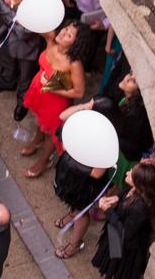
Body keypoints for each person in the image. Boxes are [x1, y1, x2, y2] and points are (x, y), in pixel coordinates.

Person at [20, 21, 93, 178]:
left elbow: (79, 93)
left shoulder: (74, 64)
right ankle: (36, 142)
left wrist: (54, 88)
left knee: (52, 135)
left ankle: (44, 161)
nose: (63, 32)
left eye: (69, 34)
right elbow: (36, 23)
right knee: (40, 121)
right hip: (39, 91)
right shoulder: (51, 41)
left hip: (56, 102)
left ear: (76, 43)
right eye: (65, 29)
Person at [51, 101, 114, 259]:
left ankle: (74, 244)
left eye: (92, 105)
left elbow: (97, 173)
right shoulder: (85, 123)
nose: (88, 106)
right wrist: (83, 107)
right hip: (72, 176)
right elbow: (63, 117)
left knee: (82, 211)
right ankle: (71, 215)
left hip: (86, 183)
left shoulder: (105, 141)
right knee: (73, 204)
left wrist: (72, 158)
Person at [91, 162, 155, 279]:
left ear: (138, 182)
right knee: (110, 265)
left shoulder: (140, 208)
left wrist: (108, 210)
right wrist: (117, 198)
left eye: (131, 173)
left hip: (125, 247)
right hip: (116, 237)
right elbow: (125, 193)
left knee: (118, 271)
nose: (128, 172)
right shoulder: (134, 189)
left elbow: (125, 233)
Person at [107, 72, 155, 190]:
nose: (128, 78)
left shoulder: (137, 114)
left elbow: (132, 141)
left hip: (126, 157)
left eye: (133, 81)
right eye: (131, 74)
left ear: (139, 92)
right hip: (119, 149)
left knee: (119, 184)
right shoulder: (127, 100)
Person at [61, 0, 110, 71]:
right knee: (68, 38)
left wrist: (105, 23)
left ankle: (81, 70)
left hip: (99, 16)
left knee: (89, 47)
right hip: (77, 4)